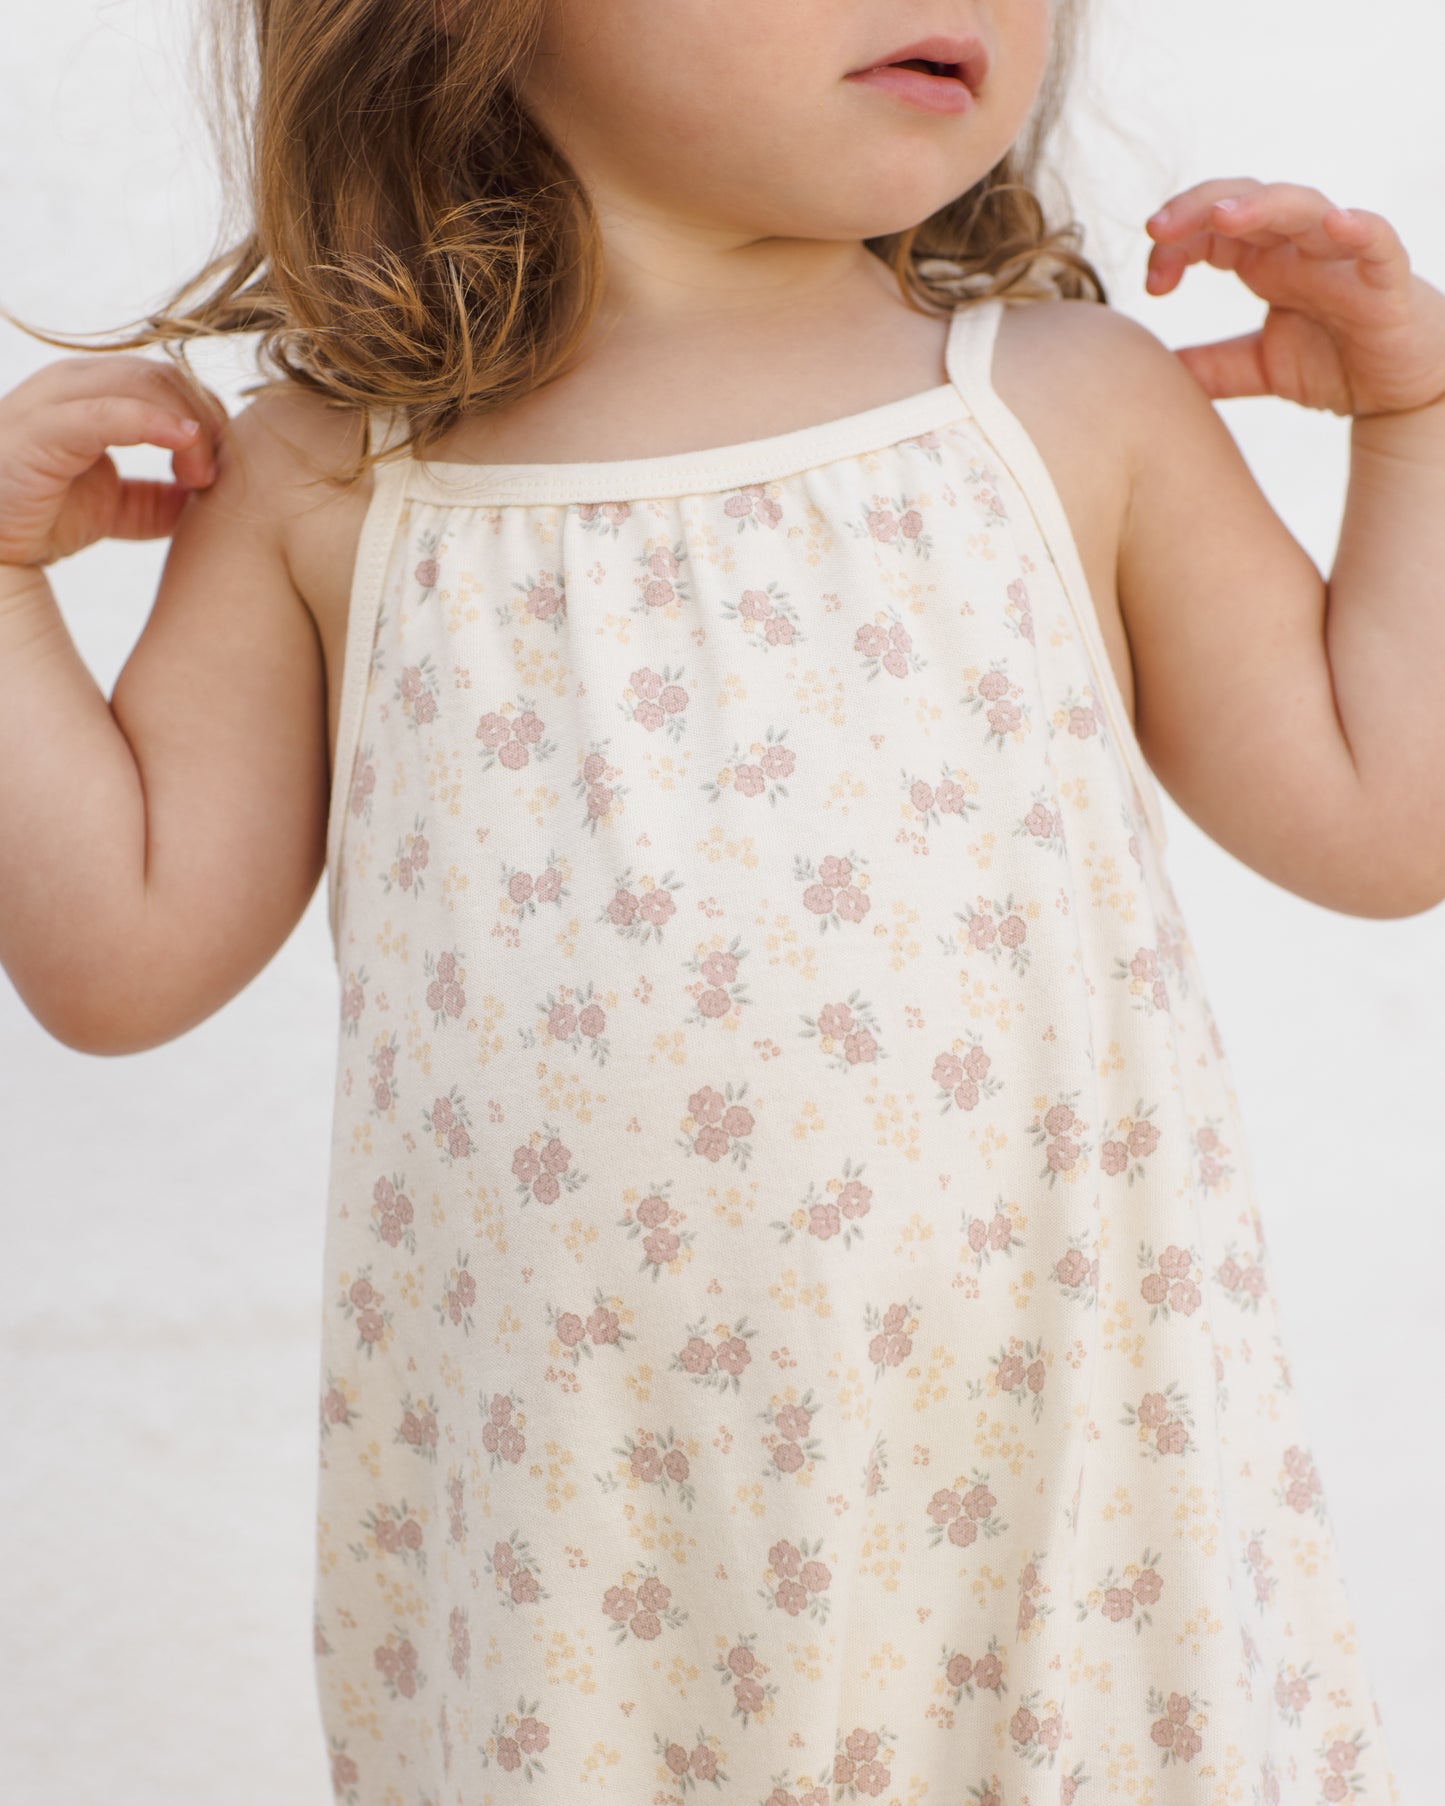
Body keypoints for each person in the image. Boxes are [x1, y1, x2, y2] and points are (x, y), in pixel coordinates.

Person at [0, 0, 1435, 1799]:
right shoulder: (332, 476)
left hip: (1060, 1536)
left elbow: (1390, 820)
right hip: (594, 1594)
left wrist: (1418, 422)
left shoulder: (1065, 405)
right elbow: (117, 959)